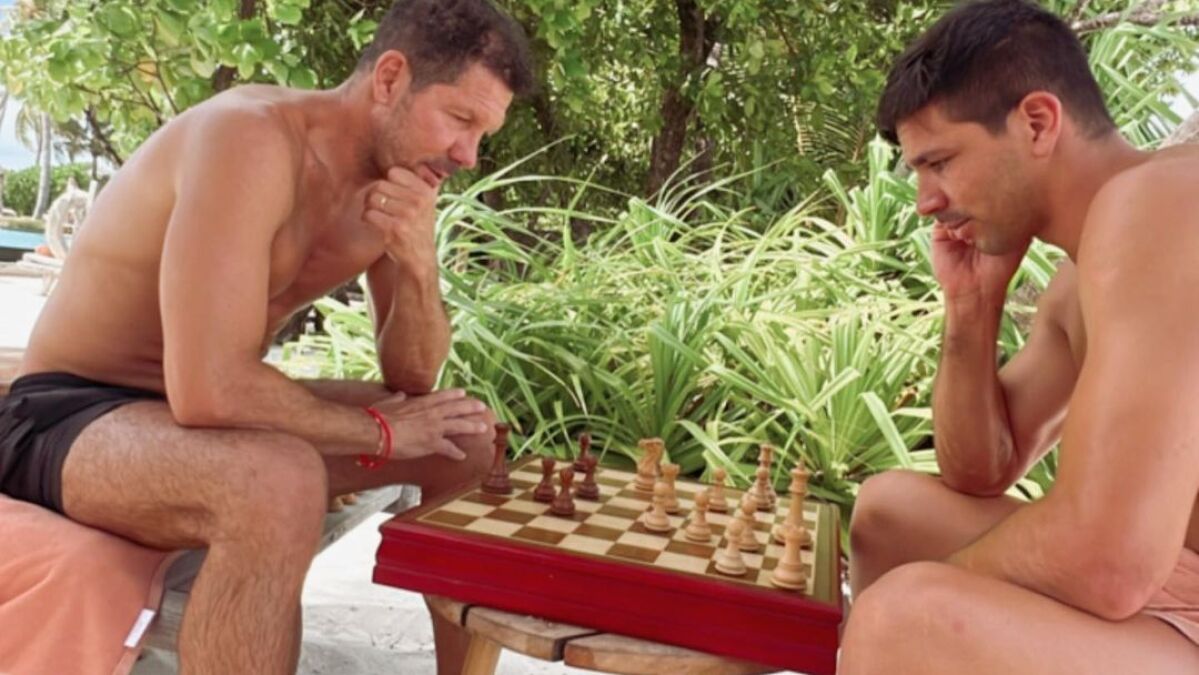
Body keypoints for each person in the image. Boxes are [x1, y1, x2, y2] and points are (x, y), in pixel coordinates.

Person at [0, 0, 534, 672]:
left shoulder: (399, 185)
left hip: (189, 422)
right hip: (68, 417)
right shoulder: (248, 137)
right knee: (277, 481)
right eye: (459, 119)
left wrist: (419, 266)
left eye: (483, 134)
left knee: (464, 438)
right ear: (390, 78)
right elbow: (210, 391)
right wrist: (378, 433)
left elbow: (412, 379)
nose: (468, 155)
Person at [840, 1, 1199, 672]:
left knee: (902, 621)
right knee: (886, 513)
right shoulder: (1081, 271)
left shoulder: (1161, 203)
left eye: (940, 162)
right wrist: (970, 309)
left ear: (1037, 122)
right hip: (1167, 582)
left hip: (1165, 593)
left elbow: (1109, 561)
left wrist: (934, 585)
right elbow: (980, 469)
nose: (924, 201)